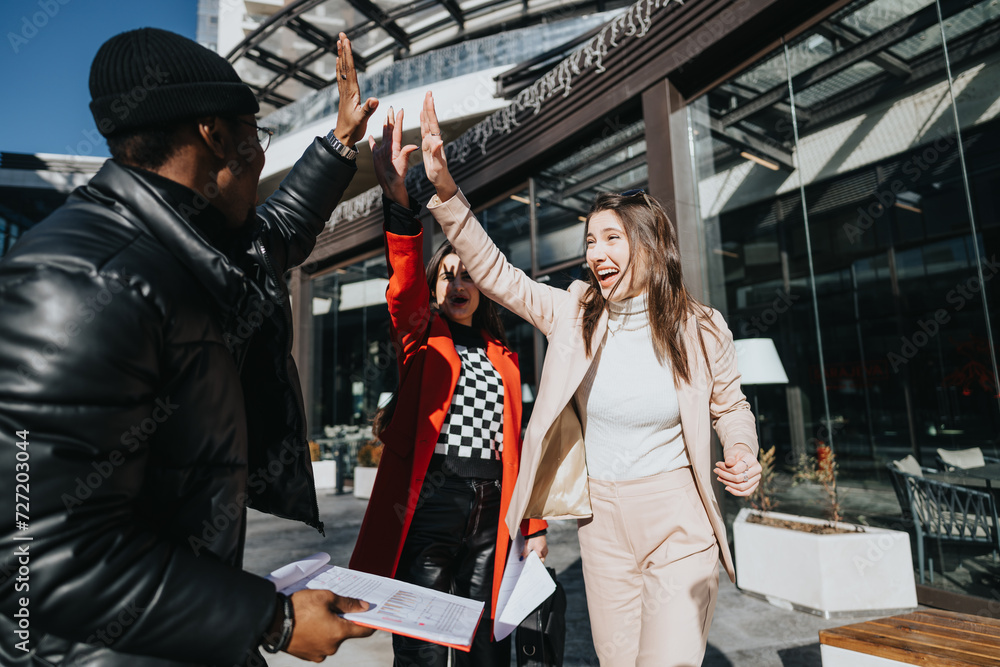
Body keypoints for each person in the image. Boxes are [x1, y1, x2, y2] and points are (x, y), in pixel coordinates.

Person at [0, 28, 378, 666]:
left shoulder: (192, 243)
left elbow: (276, 235)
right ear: (214, 135)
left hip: (184, 639)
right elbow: (39, 562)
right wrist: (274, 618)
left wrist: (341, 145)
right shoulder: (76, 282)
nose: (260, 157)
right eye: (254, 136)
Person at [406, 91, 763, 666]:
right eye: (590, 240)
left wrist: (742, 449)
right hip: (602, 525)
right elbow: (498, 273)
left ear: (651, 245)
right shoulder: (573, 312)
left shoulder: (701, 327)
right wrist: (447, 194)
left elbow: (730, 405)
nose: (596, 252)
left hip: (678, 517)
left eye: (612, 238)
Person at [349, 108, 548, 667]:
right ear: (435, 289)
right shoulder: (420, 336)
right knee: (423, 650)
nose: (458, 282)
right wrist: (399, 200)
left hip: (493, 514)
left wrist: (533, 526)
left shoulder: (505, 356)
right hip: (433, 504)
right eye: (448, 274)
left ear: (482, 289)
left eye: (468, 274)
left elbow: (519, 443)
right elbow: (404, 280)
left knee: (488, 646)